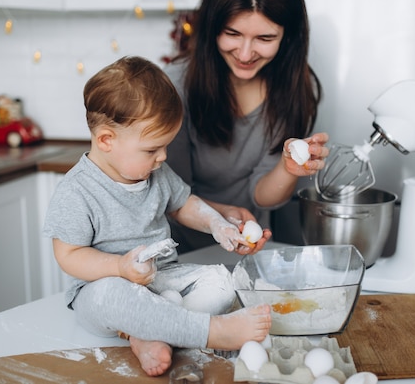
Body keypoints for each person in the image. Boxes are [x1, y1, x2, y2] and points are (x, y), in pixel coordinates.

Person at [42, 56, 272, 377]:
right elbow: (67, 255)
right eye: (152, 150)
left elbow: (183, 204)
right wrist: (119, 267)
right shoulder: (76, 191)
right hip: (105, 289)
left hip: (164, 278)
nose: (162, 157)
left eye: (165, 146)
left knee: (221, 282)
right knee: (113, 296)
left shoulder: (156, 174)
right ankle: (210, 330)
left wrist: (216, 223)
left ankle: (149, 333)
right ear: (107, 140)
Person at [164, 0, 329, 253]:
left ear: (287, 37)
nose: (244, 54)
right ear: (213, 28)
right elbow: (168, 193)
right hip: (176, 251)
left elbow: (263, 196)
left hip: (248, 250)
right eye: (232, 33)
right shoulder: (176, 85)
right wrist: (222, 218)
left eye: (264, 39)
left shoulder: (293, 89)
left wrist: (288, 168)